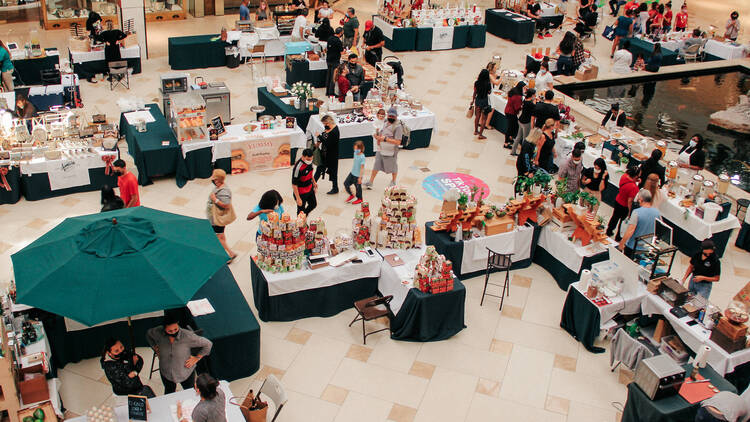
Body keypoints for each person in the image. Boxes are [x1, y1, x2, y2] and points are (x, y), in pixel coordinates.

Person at [146, 312, 212, 395]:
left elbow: (208, 344)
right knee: (169, 393)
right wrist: (155, 347)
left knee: (189, 393)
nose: (173, 332)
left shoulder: (187, 336)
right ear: (164, 328)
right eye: (170, 331)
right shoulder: (157, 332)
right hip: (166, 372)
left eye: (175, 329)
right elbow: (149, 334)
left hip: (185, 373)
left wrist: (197, 358)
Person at [365, 107, 402, 189]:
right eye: (390, 116)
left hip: (391, 150)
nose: (391, 118)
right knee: (377, 164)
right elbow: (381, 132)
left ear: (396, 116)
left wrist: (385, 139)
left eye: (393, 117)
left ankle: (393, 181)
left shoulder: (398, 127)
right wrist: (377, 136)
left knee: (393, 166)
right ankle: (370, 182)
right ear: (387, 115)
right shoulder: (385, 122)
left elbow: (398, 142)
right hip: (381, 148)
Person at [206, 169, 237, 261]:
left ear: (218, 179)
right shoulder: (218, 187)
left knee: (218, 237)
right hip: (215, 218)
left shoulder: (224, 191)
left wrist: (214, 199)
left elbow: (226, 205)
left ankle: (230, 254)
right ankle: (227, 253)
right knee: (221, 236)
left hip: (218, 219)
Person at [619, 189, 660, 257]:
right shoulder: (657, 213)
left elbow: (630, 230)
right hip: (646, 246)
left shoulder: (637, 212)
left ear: (641, 200)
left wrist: (622, 243)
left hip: (633, 246)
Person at [606, 166, 639, 238]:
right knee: (622, 221)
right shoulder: (634, 187)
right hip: (625, 206)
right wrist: (630, 212)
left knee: (614, 217)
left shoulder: (624, 176)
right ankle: (618, 236)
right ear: (636, 176)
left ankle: (609, 231)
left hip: (618, 200)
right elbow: (630, 201)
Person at [292, 148, 318, 215]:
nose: (310, 161)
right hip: (301, 192)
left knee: (313, 204)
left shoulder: (309, 162)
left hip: (309, 188)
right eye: (308, 159)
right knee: (300, 212)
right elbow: (294, 184)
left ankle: (304, 216)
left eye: (311, 159)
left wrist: (314, 182)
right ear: (303, 156)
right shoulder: (298, 168)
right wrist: (298, 198)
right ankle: (300, 222)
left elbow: (310, 172)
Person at [513, 88, 536, 156]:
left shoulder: (524, 100)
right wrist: (534, 102)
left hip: (521, 120)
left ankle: (513, 150)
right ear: (532, 95)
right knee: (525, 139)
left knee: (518, 136)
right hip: (526, 122)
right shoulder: (530, 104)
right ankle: (522, 153)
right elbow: (535, 108)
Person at [503, 81, 525, 149]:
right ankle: (506, 143)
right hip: (511, 113)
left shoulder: (513, 91)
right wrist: (522, 106)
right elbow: (517, 107)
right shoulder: (517, 96)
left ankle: (510, 138)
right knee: (511, 127)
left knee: (514, 126)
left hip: (508, 111)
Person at [472, 69, 492, 140]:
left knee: (477, 116)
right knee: (484, 118)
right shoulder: (488, 84)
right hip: (484, 101)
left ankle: (475, 131)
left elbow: (475, 92)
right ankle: (480, 134)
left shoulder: (477, 83)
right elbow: (489, 92)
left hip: (478, 100)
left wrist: (472, 100)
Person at [344, 140, 365, 205]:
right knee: (346, 183)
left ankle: (360, 199)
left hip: (358, 175)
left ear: (361, 148)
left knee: (358, 189)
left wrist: (360, 177)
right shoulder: (355, 153)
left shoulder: (362, 157)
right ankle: (351, 195)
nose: (355, 150)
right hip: (352, 173)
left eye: (357, 149)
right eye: (355, 148)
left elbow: (362, 168)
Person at [325, 28, 344, 97]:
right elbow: (341, 51)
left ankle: (327, 91)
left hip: (328, 59)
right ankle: (331, 93)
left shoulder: (330, 38)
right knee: (333, 76)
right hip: (335, 61)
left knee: (329, 75)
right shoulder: (338, 41)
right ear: (341, 33)